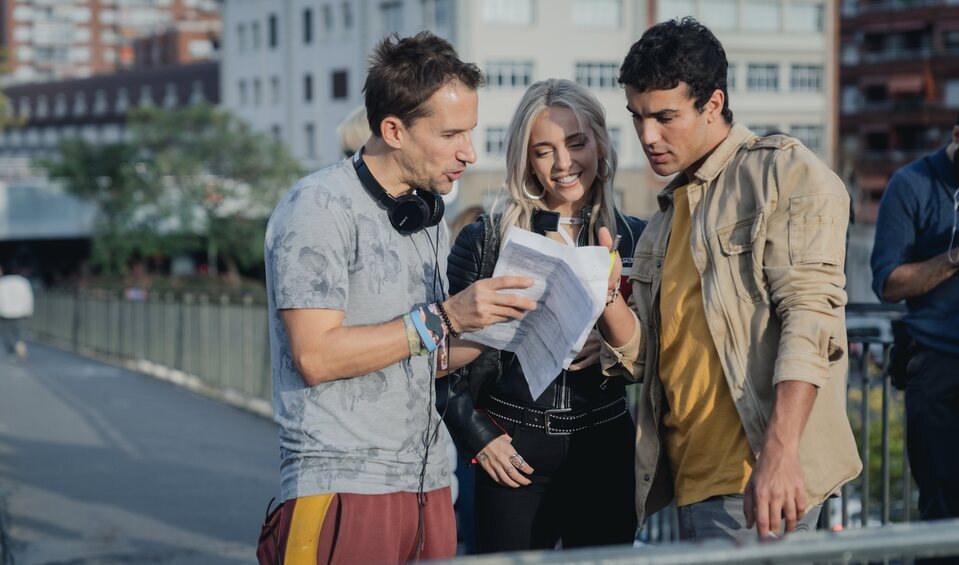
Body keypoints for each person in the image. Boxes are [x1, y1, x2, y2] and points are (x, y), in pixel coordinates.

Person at [261, 32, 537, 564]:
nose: (469, 152)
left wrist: (505, 325)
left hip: (431, 486)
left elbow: (424, 355)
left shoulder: (425, 214)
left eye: (472, 132)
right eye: (452, 133)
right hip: (343, 484)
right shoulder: (318, 207)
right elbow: (316, 356)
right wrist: (449, 315)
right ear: (393, 130)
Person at [605, 17, 862, 542]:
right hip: (692, 485)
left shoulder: (781, 173)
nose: (647, 136)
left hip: (763, 484)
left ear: (713, 104)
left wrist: (782, 452)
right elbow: (649, 364)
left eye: (664, 117)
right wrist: (605, 299)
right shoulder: (663, 218)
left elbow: (813, 319)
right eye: (637, 118)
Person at [444, 78, 645, 553]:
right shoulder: (485, 240)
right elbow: (440, 357)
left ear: (599, 141)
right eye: (544, 150)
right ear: (525, 158)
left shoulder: (638, 239)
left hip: (606, 445)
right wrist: (478, 436)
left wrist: (613, 342)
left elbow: (657, 357)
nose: (563, 164)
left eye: (577, 143)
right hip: (513, 448)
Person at [871, 116, 959, 527]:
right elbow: (888, 282)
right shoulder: (911, 185)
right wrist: (954, 257)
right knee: (942, 512)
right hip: (938, 365)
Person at [0, 266, 34, 361]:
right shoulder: (23, 282)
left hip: (5, 311)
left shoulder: (2, 282)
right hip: (20, 311)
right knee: (19, 330)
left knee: (7, 332)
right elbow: (28, 297)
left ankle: (11, 352)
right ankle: (20, 343)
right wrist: (29, 310)